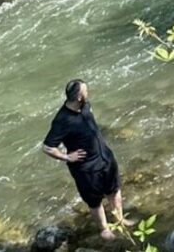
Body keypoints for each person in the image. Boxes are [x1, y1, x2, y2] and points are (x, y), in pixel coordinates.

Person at [42, 79, 131, 240]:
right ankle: (104, 229)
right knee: (94, 201)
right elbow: (47, 147)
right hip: (86, 169)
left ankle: (120, 219)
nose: (88, 93)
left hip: (105, 158)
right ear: (78, 97)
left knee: (115, 190)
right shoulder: (62, 120)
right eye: (85, 91)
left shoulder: (85, 106)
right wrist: (67, 157)